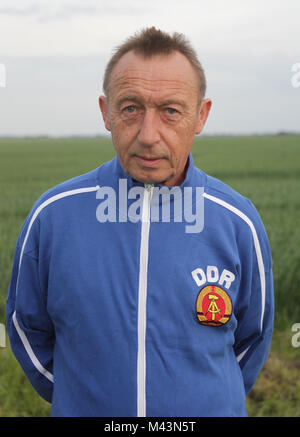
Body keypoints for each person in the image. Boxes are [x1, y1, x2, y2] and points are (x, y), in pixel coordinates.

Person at [6, 27, 274, 417]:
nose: (149, 136)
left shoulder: (237, 221)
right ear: (105, 112)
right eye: (130, 108)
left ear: (201, 115)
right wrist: (83, 398)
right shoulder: (53, 216)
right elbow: (26, 327)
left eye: (171, 110)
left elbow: (253, 338)